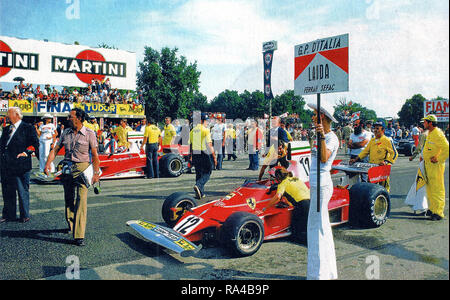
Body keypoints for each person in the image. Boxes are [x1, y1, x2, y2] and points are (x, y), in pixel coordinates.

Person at [44, 108, 100, 246]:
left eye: (71, 116)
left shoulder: (89, 133)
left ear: (79, 118)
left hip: (83, 168)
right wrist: (47, 164)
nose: (68, 118)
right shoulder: (66, 133)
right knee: (68, 198)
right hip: (67, 168)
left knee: (81, 200)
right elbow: (56, 149)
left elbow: (95, 155)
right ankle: (71, 225)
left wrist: (96, 174)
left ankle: (79, 235)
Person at [306, 102, 339, 280]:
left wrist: (320, 136)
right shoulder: (318, 135)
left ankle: (321, 275)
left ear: (323, 117)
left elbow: (324, 158)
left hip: (322, 184)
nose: (312, 117)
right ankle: (319, 272)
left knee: (319, 228)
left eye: (315, 114)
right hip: (314, 184)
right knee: (315, 227)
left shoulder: (331, 138)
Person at [0, 107, 40, 224]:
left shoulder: (28, 128)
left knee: (22, 190)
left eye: (9, 114)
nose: (7, 116)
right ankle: (9, 214)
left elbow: (35, 144)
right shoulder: (6, 129)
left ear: (17, 114)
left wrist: (26, 152)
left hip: (21, 164)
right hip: (6, 164)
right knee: (7, 190)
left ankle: (24, 215)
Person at [349, 121, 398, 192]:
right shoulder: (372, 140)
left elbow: (395, 153)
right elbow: (365, 152)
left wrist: (386, 162)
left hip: (383, 169)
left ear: (383, 130)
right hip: (372, 169)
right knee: (371, 189)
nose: (375, 130)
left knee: (383, 190)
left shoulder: (387, 140)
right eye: (374, 128)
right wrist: (355, 159)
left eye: (377, 128)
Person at [262, 167, 310, 240]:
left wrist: (266, 207)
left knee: (296, 229)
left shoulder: (282, 184)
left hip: (302, 205)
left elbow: (278, 197)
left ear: (278, 178)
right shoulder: (296, 179)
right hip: (310, 202)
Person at [421, 114, 449, 221]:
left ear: (430, 123)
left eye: (425, 122)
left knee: (437, 189)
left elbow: (447, 148)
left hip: (436, 166)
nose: (423, 124)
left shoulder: (438, 133)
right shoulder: (430, 133)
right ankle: (432, 209)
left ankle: (438, 212)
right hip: (428, 164)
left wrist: (439, 158)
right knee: (430, 188)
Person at [189, 113, 217, 199]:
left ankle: (200, 193)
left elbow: (191, 144)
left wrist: (191, 156)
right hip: (204, 153)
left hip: (195, 152)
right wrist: (214, 157)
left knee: (199, 172)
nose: (207, 122)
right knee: (208, 171)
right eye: (206, 121)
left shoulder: (193, 130)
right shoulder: (205, 130)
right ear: (201, 121)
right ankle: (199, 185)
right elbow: (209, 144)